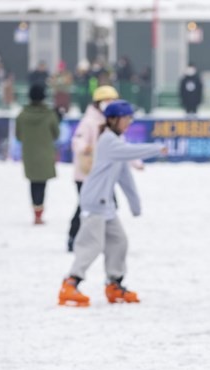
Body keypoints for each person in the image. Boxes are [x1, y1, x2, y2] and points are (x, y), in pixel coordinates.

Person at [58, 100, 167, 307]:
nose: (129, 122)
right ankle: (70, 283)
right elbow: (131, 152)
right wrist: (156, 148)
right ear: (113, 119)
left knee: (119, 241)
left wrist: (135, 204)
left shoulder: (116, 142)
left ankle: (114, 284)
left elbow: (125, 176)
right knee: (92, 245)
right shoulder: (108, 140)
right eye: (126, 118)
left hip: (105, 203)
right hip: (94, 201)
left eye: (130, 119)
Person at [68, 85, 124, 252]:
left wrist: (135, 162)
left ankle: (103, 237)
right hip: (86, 174)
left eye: (112, 101)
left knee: (109, 205)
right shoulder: (89, 122)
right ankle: (73, 237)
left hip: (104, 175)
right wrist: (85, 147)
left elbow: (121, 147)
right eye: (106, 100)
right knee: (85, 207)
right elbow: (77, 141)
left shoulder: (113, 123)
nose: (109, 104)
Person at [15, 84, 59, 225]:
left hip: (29, 155)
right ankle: (39, 214)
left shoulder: (22, 115)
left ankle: (36, 213)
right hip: (45, 154)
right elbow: (56, 134)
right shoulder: (49, 114)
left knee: (33, 183)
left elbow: (18, 136)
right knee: (42, 184)